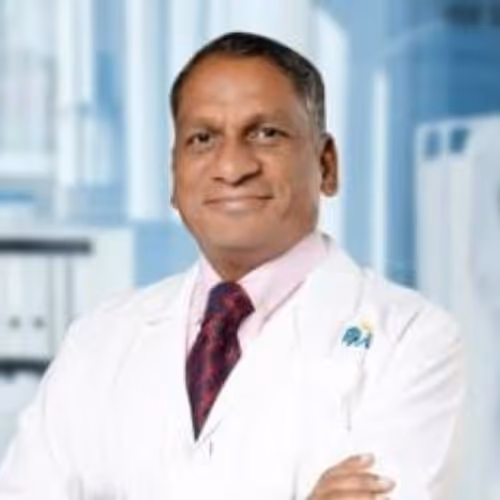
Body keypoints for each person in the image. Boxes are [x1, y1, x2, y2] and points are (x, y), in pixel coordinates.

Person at [0, 32, 464, 500]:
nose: (233, 167)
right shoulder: (97, 341)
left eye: (266, 134)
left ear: (326, 165)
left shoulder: (412, 338)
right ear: (174, 175)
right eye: (202, 139)